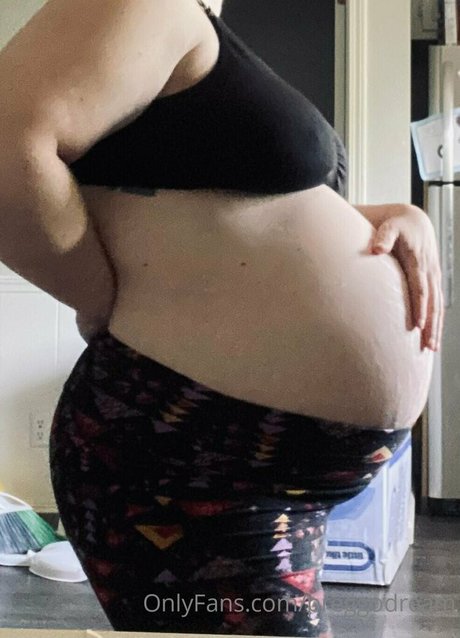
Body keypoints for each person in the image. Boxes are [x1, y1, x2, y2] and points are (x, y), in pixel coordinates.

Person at [0, 0, 441, 635]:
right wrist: (95, 298)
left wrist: (391, 215)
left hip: (262, 471)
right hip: (192, 457)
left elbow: (223, 208)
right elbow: (9, 145)